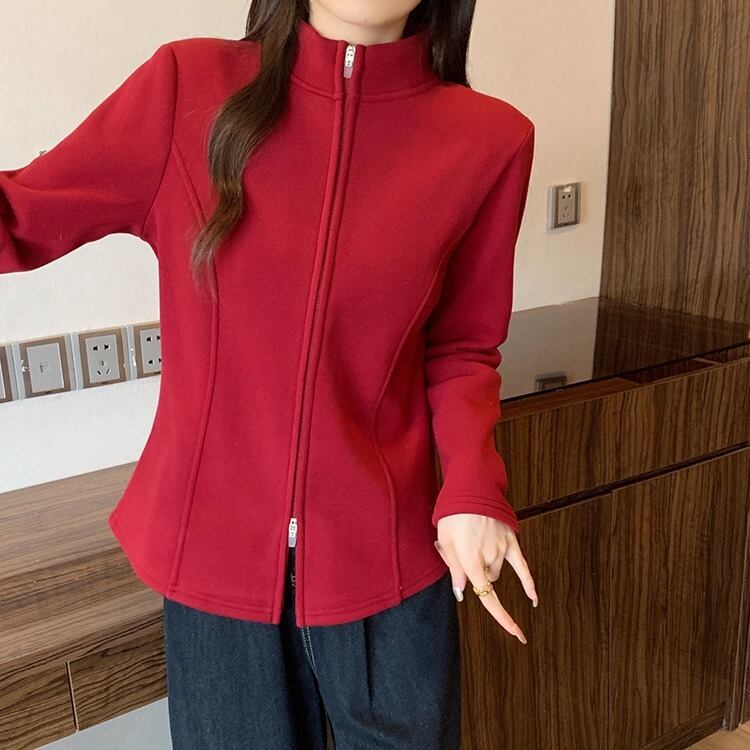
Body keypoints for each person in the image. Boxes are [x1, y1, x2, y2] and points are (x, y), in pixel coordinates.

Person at [0, 1, 540, 747]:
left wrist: (474, 487)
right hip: (217, 572)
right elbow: (19, 215)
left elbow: (461, 347)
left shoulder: (490, 140)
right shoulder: (187, 87)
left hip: (389, 566)